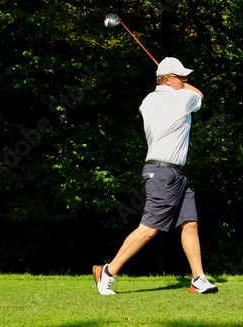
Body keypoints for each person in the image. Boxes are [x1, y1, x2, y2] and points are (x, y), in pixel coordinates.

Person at [92, 57, 218, 295]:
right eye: (180, 77)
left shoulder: (149, 100)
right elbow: (199, 95)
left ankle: (198, 279)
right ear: (168, 79)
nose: (185, 81)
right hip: (164, 173)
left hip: (172, 173)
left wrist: (165, 84)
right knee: (149, 228)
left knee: (190, 224)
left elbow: (143, 108)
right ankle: (108, 272)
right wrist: (182, 86)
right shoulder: (184, 98)